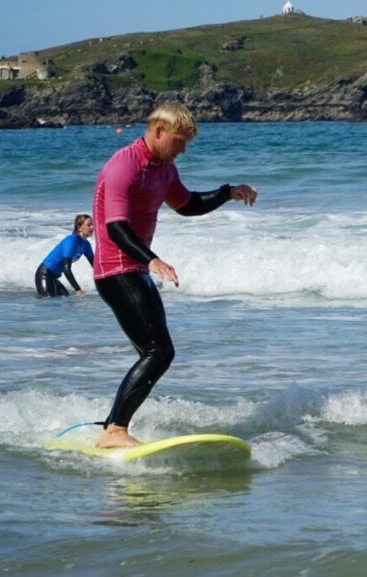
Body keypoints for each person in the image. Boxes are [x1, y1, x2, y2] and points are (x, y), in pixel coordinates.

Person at [91, 103, 258, 448]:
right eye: (179, 142)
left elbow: (188, 205)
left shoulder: (163, 169)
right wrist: (152, 260)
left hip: (133, 268)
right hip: (116, 270)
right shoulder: (125, 165)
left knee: (153, 352)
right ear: (158, 132)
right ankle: (114, 431)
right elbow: (116, 227)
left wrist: (227, 192)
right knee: (158, 351)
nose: (183, 149)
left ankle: (112, 425)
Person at [35, 214, 94, 297]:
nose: (92, 227)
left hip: (54, 277)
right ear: (79, 227)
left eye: (93, 225)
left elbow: (95, 266)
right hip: (44, 274)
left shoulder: (86, 245)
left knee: (66, 298)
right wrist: (78, 289)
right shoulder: (71, 241)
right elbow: (66, 269)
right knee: (48, 301)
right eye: (89, 225)